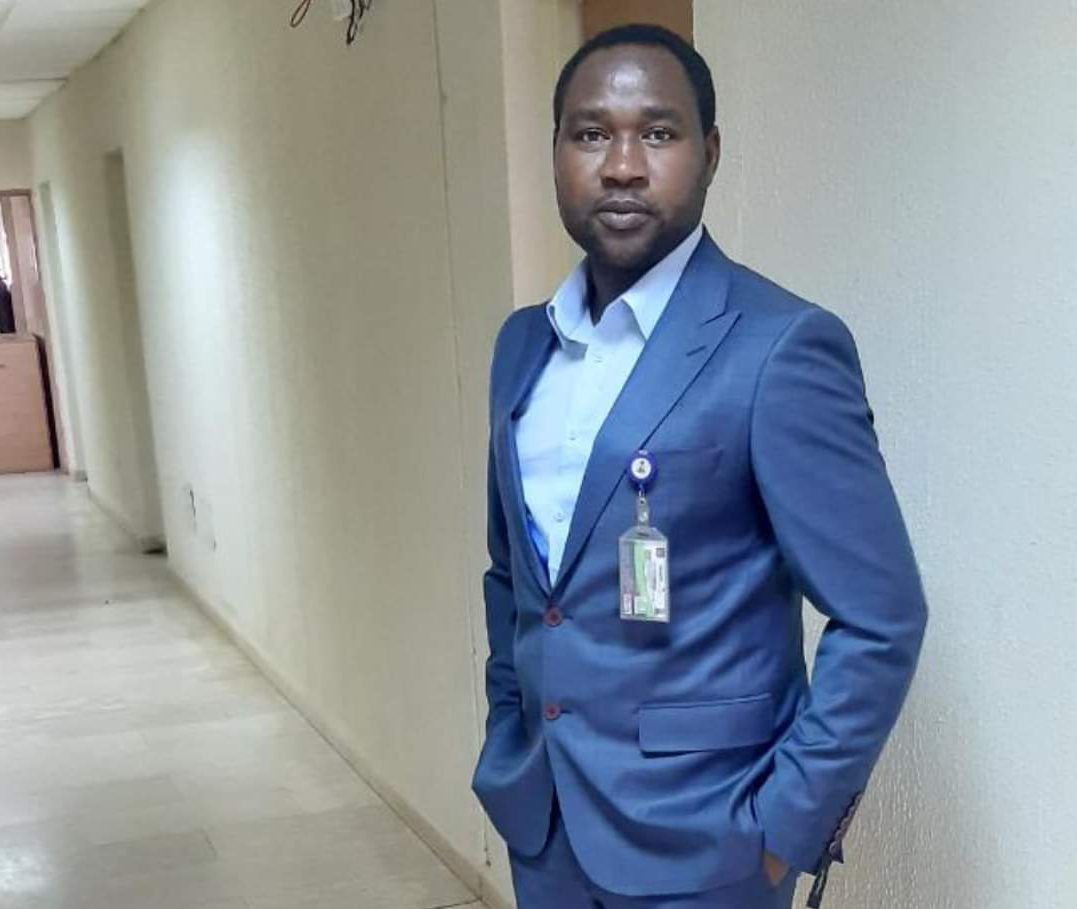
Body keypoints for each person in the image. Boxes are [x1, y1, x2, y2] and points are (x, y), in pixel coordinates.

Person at [471, 24, 927, 909]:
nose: (622, 167)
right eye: (590, 133)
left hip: (709, 848)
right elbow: (513, 578)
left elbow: (881, 617)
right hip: (545, 827)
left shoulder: (777, 348)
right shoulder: (522, 345)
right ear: (556, 150)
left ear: (708, 153)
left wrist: (785, 828)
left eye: (658, 132)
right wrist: (507, 734)